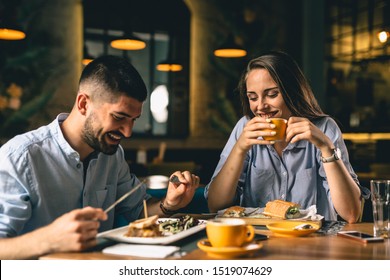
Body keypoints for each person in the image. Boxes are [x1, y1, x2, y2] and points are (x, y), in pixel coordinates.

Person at [0, 55, 200, 259]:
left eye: (133, 120)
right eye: (119, 117)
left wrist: (169, 204)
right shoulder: (19, 157)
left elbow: (139, 212)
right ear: (83, 104)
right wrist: (50, 239)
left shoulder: (113, 155)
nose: (128, 132)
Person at [205, 51, 369, 223]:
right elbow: (215, 206)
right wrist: (239, 149)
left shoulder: (325, 128)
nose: (260, 106)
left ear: (292, 92)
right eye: (252, 97)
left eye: (272, 94)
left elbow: (352, 214)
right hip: (256, 240)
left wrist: (326, 148)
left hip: (313, 241)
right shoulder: (244, 128)